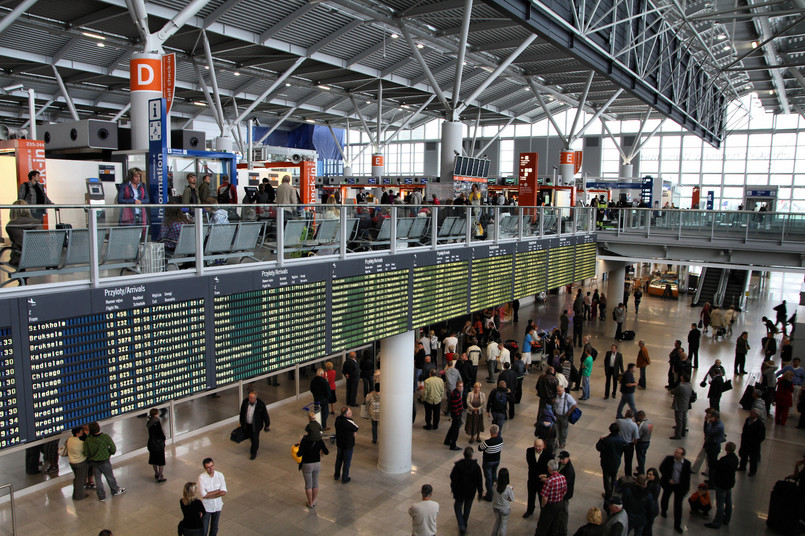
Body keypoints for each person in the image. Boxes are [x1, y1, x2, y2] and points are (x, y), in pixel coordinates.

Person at [83, 421, 125, 502]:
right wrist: (109, 452)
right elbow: (113, 448)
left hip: (94, 462)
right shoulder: (105, 437)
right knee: (110, 477)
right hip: (104, 461)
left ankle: (101, 496)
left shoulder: (88, 440)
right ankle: (115, 490)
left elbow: (86, 452)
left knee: (98, 480)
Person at [450, 446, 483, 534]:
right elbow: (479, 480)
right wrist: (480, 492)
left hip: (459, 491)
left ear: (464, 454)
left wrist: (453, 489)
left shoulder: (458, 466)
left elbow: (453, 478)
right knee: (467, 507)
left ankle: (461, 524)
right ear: (471, 455)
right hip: (470, 491)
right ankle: (464, 522)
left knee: (457, 507)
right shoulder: (476, 467)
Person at [705, 441, 738, 529]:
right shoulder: (735, 459)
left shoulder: (724, 460)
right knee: (728, 502)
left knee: (720, 504)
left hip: (721, 484)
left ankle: (717, 522)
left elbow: (716, 467)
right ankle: (726, 519)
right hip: (729, 484)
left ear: (726, 449)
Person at [299, 414, 330, 507]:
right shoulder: (319, 440)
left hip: (307, 464)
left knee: (308, 484)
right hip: (317, 463)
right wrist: (321, 451)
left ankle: (310, 503)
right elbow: (327, 452)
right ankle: (314, 500)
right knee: (315, 483)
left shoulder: (305, 440)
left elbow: (299, 453)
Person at [659, 447, 692, 534]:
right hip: (669, 483)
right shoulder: (669, 459)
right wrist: (668, 479)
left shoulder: (687, 464)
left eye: (678, 453)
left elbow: (687, 477)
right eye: (675, 452)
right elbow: (661, 468)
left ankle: (677, 525)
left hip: (679, 486)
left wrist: (686, 489)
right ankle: (663, 510)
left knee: (678, 505)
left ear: (682, 455)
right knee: (665, 497)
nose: (675, 454)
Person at [535, 459, 568, 535]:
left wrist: (543, 506)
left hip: (550, 506)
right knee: (555, 524)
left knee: (543, 525)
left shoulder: (549, 481)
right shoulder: (563, 477)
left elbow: (545, 497)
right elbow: (565, 491)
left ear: (549, 468)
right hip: (560, 504)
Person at [4, 200, 41, 266]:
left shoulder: (11, 226)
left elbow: (18, 243)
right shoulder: (37, 223)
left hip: (22, 260)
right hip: (42, 258)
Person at [523, 438, 552, 518]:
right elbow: (530, 464)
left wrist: (546, 475)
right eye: (536, 446)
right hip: (532, 479)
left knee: (541, 498)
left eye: (540, 446)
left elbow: (550, 469)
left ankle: (543, 513)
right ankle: (530, 510)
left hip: (541, 481)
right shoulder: (529, 451)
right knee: (531, 496)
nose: (538, 448)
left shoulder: (548, 455)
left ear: (543, 446)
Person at [597, 422, 627, 499]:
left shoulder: (606, 440)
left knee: (606, 479)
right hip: (616, 461)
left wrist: (600, 440)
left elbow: (598, 447)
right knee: (614, 477)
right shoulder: (621, 440)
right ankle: (613, 491)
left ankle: (608, 493)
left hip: (606, 461)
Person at [197, 458, 226, 536]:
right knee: (204, 529)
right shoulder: (202, 477)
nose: (211, 469)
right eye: (208, 467)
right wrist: (217, 491)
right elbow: (203, 495)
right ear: (205, 468)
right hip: (206, 508)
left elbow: (223, 492)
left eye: (212, 466)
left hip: (217, 506)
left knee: (214, 528)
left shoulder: (220, 475)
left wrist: (209, 495)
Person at [238, 390, 270, 460]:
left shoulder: (260, 404)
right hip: (247, 425)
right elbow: (242, 413)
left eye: (251, 398)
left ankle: (253, 453)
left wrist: (267, 425)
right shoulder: (245, 402)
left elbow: (265, 415)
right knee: (251, 437)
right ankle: (253, 443)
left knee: (255, 440)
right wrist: (241, 422)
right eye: (249, 397)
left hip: (255, 426)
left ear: (255, 398)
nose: (249, 399)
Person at [334, 406, 359, 483]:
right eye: (350, 413)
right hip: (348, 445)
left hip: (339, 443)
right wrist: (353, 432)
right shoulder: (348, 422)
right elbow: (356, 427)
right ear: (347, 414)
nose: (351, 414)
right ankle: (345, 478)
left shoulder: (337, 419)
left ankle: (336, 475)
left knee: (338, 460)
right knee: (347, 462)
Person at [478, 424, 503, 501]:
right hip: (497, 460)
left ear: (490, 432)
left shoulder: (487, 442)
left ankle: (489, 495)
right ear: (497, 432)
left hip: (488, 462)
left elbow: (480, 448)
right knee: (494, 475)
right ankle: (496, 491)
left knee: (488, 479)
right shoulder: (500, 439)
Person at [738, 409, 766, 475]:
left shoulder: (760, 424)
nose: (751, 414)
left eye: (753, 413)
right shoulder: (748, 420)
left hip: (754, 444)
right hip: (745, 441)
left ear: (756, 415)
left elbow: (762, 436)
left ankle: (752, 471)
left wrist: (755, 442)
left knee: (753, 458)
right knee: (744, 455)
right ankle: (742, 466)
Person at [64, 426, 88, 500]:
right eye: (81, 431)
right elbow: (86, 452)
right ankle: (79, 496)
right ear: (78, 432)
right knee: (80, 480)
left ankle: (76, 494)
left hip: (72, 462)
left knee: (77, 478)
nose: (82, 432)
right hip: (80, 462)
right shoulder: (80, 443)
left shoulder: (70, 439)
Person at [491, 467, 514, 536]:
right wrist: (507, 498)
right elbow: (512, 499)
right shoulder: (508, 488)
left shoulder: (495, 486)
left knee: (497, 522)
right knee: (503, 526)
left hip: (496, 507)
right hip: (505, 509)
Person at [553, 384, 577, 449]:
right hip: (557, 415)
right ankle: (557, 441)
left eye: (560, 391)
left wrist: (569, 412)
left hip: (564, 416)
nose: (558, 392)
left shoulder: (567, 396)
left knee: (564, 429)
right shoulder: (557, 396)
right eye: (557, 391)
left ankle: (562, 442)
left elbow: (574, 404)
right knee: (557, 428)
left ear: (563, 390)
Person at [146, 408, 166, 482]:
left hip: (151, 444)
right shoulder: (156, 422)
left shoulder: (149, 422)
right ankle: (160, 476)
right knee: (161, 461)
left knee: (154, 460)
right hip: (158, 444)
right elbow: (160, 433)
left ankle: (156, 473)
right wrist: (164, 438)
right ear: (155, 414)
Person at [617, 410, 639, 477]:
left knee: (617, 458)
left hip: (619, 443)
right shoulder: (634, 425)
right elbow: (636, 438)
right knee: (628, 462)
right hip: (629, 444)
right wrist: (633, 444)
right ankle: (628, 475)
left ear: (625, 414)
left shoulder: (619, 421)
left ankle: (614, 471)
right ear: (632, 416)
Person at [670, 375, 692, 439]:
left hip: (679, 405)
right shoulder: (690, 385)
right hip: (686, 404)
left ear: (683, 379)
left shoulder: (681, 386)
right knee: (684, 419)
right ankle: (683, 432)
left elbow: (673, 392)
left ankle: (678, 434)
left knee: (679, 420)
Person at [444, 380, 465, 451]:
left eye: (462, 386)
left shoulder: (455, 392)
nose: (461, 388)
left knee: (452, 427)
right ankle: (453, 445)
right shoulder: (456, 394)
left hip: (455, 414)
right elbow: (454, 405)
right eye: (459, 386)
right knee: (455, 430)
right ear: (456, 386)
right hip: (456, 415)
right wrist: (457, 415)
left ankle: (447, 440)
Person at [635, 410, 653, 476]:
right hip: (647, 441)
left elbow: (638, 435)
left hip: (641, 443)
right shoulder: (650, 422)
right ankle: (640, 467)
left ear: (640, 416)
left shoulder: (642, 425)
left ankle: (641, 472)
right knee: (643, 456)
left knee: (640, 458)